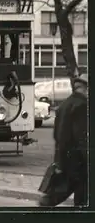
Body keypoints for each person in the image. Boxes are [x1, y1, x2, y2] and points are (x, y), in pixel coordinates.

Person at [38, 73, 88, 207]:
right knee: (81, 195)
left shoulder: (65, 105)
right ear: (85, 89)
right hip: (78, 162)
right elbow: (82, 137)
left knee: (61, 191)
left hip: (64, 157)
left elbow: (57, 134)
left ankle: (43, 206)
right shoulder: (82, 106)